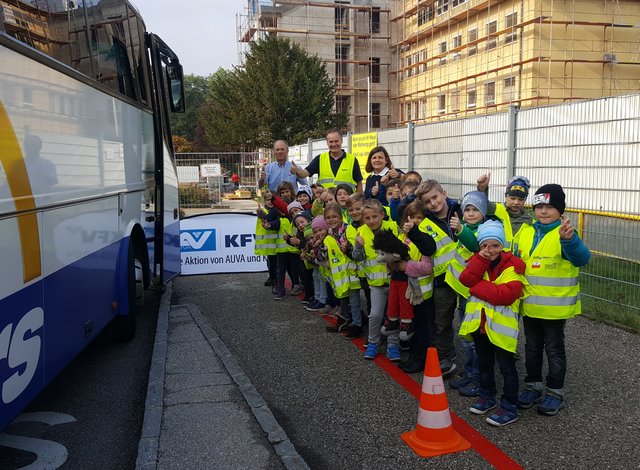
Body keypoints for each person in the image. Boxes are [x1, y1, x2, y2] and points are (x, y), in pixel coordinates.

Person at [514, 184, 590, 416]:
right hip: (530, 306)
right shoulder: (525, 232)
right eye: (539, 206)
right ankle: (533, 385)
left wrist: (569, 241)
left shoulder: (565, 233)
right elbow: (515, 261)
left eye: (549, 207)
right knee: (532, 347)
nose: (543, 211)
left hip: (555, 310)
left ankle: (555, 391)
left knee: (554, 350)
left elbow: (582, 258)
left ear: (560, 210)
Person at [458, 220, 526, 427]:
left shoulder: (513, 266)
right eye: (484, 246)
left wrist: (476, 287)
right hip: (481, 326)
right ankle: (487, 396)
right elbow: (465, 279)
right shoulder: (478, 261)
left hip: (502, 331)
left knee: (507, 368)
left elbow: (503, 296)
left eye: (495, 245)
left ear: (503, 245)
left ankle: (509, 406)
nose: (490, 250)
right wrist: (479, 261)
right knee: (484, 363)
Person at [413, 179, 462, 375]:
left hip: (467, 276)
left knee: (469, 319)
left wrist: (482, 189)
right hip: (442, 280)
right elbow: (427, 248)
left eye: (435, 197)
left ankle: (474, 360)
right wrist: (414, 233)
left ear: (444, 193)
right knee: (442, 321)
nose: (433, 203)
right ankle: (445, 357)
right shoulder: (425, 224)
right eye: (427, 201)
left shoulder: (460, 210)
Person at [446, 190, 488, 397]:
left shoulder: (483, 231)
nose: (470, 213)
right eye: (467, 209)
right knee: (466, 335)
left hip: (474, 294)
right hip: (463, 293)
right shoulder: (468, 229)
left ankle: (477, 376)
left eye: (475, 209)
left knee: (472, 336)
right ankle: (471, 371)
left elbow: (475, 246)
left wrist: (461, 229)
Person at [351, 199, 397, 361]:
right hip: (375, 284)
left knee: (393, 315)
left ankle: (393, 345)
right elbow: (357, 258)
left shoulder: (392, 228)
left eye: (375, 217)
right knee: (375, 315)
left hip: (394, 282)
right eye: (367, 218)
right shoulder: (361, 232)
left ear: (382, 215)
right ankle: (372, 343)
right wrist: (357, 246)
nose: (371, 221)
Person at [323, 203, 362, 337]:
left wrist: (348, 247)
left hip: (352, 272)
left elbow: (356, 248)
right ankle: (346, 320)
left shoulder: (347, 230)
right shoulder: (328, 235)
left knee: (354, 302)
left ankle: (357, 325)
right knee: (344, 301)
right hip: (341, 275)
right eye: (328, 218)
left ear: (341, 217)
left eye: (334, 217)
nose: (331, 220)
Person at [290, 129, 363, 193]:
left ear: (341, 141)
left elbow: (359, 185)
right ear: (327, 143)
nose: (333, 144)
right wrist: (297, 171)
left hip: (346, 205)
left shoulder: (352, 160)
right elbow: (304, 174)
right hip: (325, 204)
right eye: (331, 142)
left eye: (336, 141)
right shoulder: (320, 159)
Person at [477, 173, 533, 251]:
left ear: (525, 200)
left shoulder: (530, 222)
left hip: (518, 262)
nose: (516, 202)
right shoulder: (496, 210)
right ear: (506, 196)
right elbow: (481, 203)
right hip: (496, 259)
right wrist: (482, 188)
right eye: (512, 198)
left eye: (520, 199)